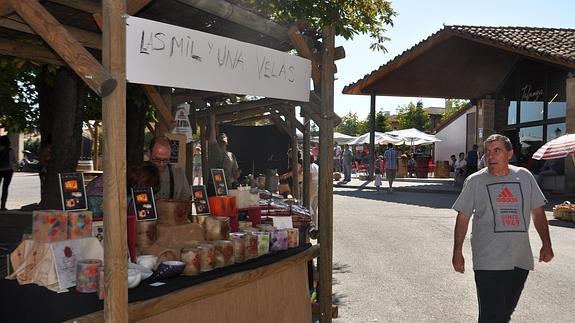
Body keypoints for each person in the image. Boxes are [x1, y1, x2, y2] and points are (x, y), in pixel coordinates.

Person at [451, 134, 553, 323]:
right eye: (487, 152)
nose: (490, 156)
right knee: (493, 315)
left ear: (510, 154)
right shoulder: (475, 181)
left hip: (519, 259)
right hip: (488, 259)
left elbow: (538, 212)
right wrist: (457, 251)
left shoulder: (524, 176)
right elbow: (463, 216)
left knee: (503, 313)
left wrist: (546, 244)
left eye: (496, 151)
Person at [149, 136, 191, 200]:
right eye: (157, 159)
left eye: (165, 160)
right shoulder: (139, 173)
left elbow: (187, 202)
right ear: (149, 153)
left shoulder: (179, 174)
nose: (161, 164)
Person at [207, 114, 241, 194]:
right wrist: (212, 117)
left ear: (227, 142)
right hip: (213, 186)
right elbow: (212, 134)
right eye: (221, 137)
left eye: (224, 137)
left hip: (227, 186)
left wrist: (237, 173)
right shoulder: (214, 149)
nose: (222, 138)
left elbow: (236, 175)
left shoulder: (231, 155)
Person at [0, 136, 18, 210]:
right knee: (5, 188)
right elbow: (14, 161)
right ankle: (3, 205)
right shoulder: (10, 150)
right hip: (8, 170)